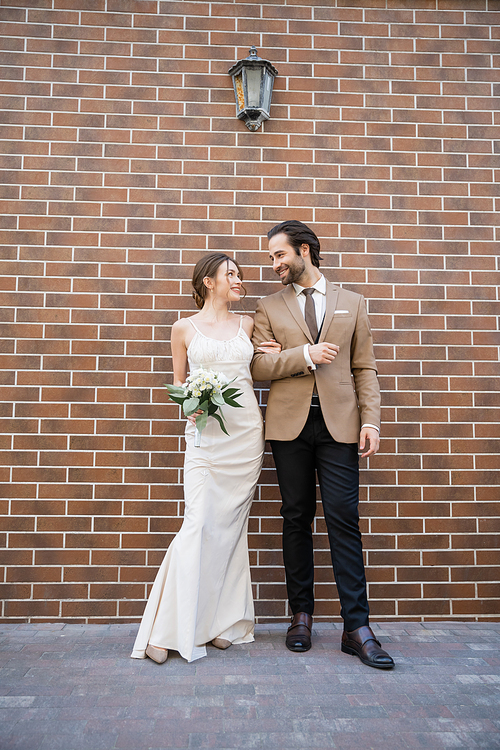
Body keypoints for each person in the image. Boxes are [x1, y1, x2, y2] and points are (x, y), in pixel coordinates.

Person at [251, 220, 394, 670]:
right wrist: (302, 356)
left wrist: (370, 420)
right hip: (289, 426)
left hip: (340, 426)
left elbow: (364, 368)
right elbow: (257, 365)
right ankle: (301, 616)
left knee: (343, 518)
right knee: (295, 517)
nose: (274, 264)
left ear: (306, 251)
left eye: (280, 255)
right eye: (272, 257)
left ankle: (357, 627)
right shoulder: (268, 306)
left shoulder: (353, 303)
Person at [131, 252, 280, 664]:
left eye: (240, 275)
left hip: (246, 436)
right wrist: (189, 405)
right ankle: (166, 631)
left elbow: (264, 363)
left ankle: (220, 622)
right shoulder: (183, 328)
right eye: (230, 274)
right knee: (197, 524)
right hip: (204, 440)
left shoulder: (248, 324)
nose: (239, 280)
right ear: (208, 282)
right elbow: (178, 386)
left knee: (229, 529)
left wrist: (268, 350)